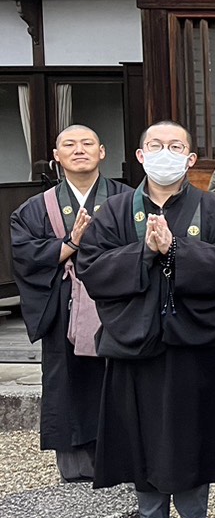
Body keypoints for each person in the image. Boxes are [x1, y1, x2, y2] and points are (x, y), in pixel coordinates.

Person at [77, 121, 215, 518]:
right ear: (139, 155)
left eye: (176, 146)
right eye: (156, 146)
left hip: (192, 344)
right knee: (140, 437)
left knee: (191, 436)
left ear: (191, 159)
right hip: (136, 345)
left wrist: (177, 249)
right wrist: (146, 254)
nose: (165, 153)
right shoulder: (113, 211)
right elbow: (91, 268)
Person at [9, 124, 127, 481]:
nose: (80, 150)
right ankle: (76, 467)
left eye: (88, 143)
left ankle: (124, 459)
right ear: (57, 157)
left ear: (102, 152)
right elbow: (26, 256)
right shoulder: (34, 208)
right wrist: (70, 243)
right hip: (64, 308)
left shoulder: (127, 200)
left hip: (117, 306)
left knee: (122, 378)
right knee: (67, 381)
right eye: (70, 145)